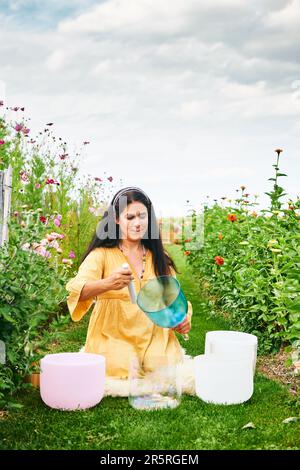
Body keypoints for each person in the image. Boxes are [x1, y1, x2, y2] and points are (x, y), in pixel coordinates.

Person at [66, 186, 193, 385]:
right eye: (130, 217)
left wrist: (183, 319)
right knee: (122, 366)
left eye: (142, 216)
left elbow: (174, 298)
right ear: (116, 219)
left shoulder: (159, 257)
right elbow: (77, 292)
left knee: (160, 366)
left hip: (153, 331)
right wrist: (108, 283)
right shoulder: (101, 254)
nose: (137, 223)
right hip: (113, 332)